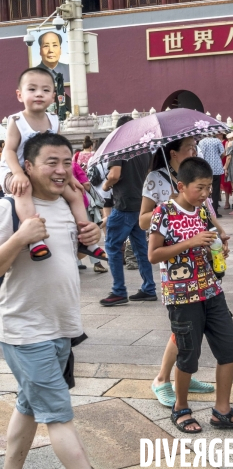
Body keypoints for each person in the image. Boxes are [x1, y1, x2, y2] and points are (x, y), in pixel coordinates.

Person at [0, 131, 101, 469]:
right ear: (27, 167)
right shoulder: (9, 208)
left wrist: (91, 235)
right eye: (51, 163)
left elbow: (63, 255)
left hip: (62, 327)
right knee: (59, 415)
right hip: (26, 332)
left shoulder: (68, 205)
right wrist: (19, 238)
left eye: (66, 163)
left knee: (30, 404)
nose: (61, 170)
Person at [148, 157, 233, 433]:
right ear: (182, 185)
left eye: (209, 187)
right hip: (181, 296)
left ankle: (222, 410)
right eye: (201, 187)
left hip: (211, 290)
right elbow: (153, 254)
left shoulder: (203, 211)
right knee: (188, 354)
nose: (206, 193)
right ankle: (181, 408)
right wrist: (190, 242)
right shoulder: (163, 212)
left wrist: (217, 248)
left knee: (230, 348)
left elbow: (208, 240)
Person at [140, 137, 227, 407]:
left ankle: (184, 376)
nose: (194, 151)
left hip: (203, 278)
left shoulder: (198, 187)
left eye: (195, 148)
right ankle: (164, 379)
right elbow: (144, 219)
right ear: (174, 153)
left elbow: (204, 214)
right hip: (179, 279)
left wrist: (217, 234)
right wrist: (169, 212)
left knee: (192, 332)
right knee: (183, 330)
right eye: (190, 148)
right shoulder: (157, 178)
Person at [0, 68, 106, 263]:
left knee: (75, 193)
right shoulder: (17, 121)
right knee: (24, 189)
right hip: (14, 170)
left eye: (45, 90)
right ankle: (35, 239)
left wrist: (71, 177)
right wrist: (18, 173)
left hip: (42, 172)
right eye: (32, 89)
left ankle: (87, 239)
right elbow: (9, 151)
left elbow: (58, 152)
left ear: (54, 97)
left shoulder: (54, 119)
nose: (39, 94)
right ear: (19, 95)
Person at [100, 115, 156, 306]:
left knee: (112, 247)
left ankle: (118, 291)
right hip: (139, 204)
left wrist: (106, 185)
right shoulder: (143, 149)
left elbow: (115, 174)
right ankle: (149, 288)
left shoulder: (119, 147)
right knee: (141, 248)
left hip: (123, 205)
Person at [198, 135, 225, 217]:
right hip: (217, 168)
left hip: (206, 168)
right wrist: (217, 158)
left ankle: (206, 210)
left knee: (205, 189)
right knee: (216, 191)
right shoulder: (217, 141)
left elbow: (200, 154)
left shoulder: (201, 142)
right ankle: (215, 210)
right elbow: (223, 153)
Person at [220, 135, 232, 210]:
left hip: (224, 161)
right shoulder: (217, 141)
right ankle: (218, 199)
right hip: (220, 162)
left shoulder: (226, 141)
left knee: (226, 183)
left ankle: (227, 201)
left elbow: (226, 153)